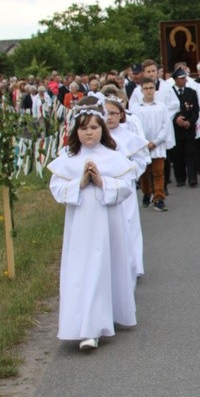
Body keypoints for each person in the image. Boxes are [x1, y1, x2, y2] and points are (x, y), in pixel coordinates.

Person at [47, 104, 137, 350]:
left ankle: (99, 323)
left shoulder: (113, 157)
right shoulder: (68, 159)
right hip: (81, 227)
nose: (89, 133)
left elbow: (127, 186)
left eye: (95, 127)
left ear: (103, 129)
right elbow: (58, 190)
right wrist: (81, 182)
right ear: (76, 131)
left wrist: (101, 181)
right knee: (83, 269)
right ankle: (85, 325)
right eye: (84, 128)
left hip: (109, 224)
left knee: (104, 266)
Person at [104, 97, 150, 282]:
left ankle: (134, 265)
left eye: (113, 113)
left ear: (121, 115)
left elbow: (141, 160)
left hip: (125, 188)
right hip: (105, 187)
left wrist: (128, 176)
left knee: (129, 224)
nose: (109, 118)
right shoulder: (98, 136)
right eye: (106, 114)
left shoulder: (130, 137)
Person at [131, 77, 171, 211]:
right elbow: (134, 128)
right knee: (144, 173)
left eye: (151, 88)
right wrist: (143, 143)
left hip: (157, 145)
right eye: (146, 88)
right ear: (141, 90)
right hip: (142, 146)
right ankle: (147, 192)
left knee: (158, 172)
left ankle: (159, 198)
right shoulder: (136, 108)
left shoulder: (161, 107)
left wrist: (156, 141)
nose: (149, 91)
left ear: (155, 90)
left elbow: (166, 126)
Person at [167, 68, 200, 187]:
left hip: (188, 128)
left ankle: (192, 177)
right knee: (178, 155)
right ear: (175, 79)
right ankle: (180, 178)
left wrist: (190, 122)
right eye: (181, 78)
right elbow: (167, 109)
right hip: (175, 129)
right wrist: (176, 118)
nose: (184, 80)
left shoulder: (191, 92)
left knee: (191, 153)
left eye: (185, 78)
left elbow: (196, 111)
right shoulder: (169, 92)